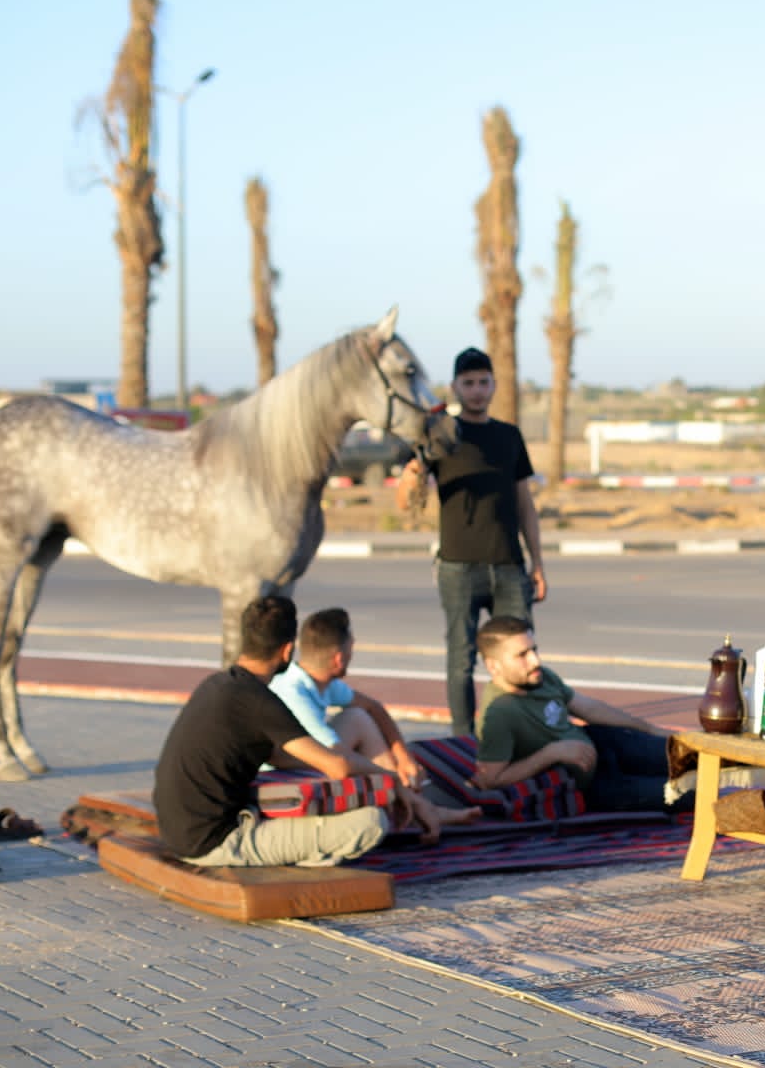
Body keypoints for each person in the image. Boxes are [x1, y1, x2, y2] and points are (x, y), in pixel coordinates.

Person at [153, 596, 448, 868]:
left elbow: (286, 758)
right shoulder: (260, 701)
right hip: (217, 842)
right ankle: (302, 865)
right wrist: (390, 780)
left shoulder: (216, 684)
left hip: (179, 831)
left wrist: (374, 779)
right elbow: (338, 766)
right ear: (287, 650)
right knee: (371, 822)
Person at [397, 347, 547, 738]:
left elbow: (524, 505)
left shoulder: (508, 436)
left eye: (484, 382)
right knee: (461, 661)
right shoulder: (442, 436)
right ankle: (463, 740)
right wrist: (414, 471)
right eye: (469, 383)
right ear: (455, 387)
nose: (477, 390)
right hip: (459, 567)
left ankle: (523, 732)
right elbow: (407, 502)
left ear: (494, 385)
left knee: (522, 657)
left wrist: (538, 563)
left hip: (510, 566)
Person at [473, 616, 682, 813]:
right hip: (592, 785)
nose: (535, 661)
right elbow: (492, 778)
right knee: (695, 793)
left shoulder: (539, 677)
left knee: (691, 755)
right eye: (522, 655)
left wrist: (650, 729)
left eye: (534, 650)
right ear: (494, 666)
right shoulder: (498, 713)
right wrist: (550, 753)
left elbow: (590, 709)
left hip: (602, 744)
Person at [266, 607, 437, 794]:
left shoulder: (321, 680)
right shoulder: (295, 694)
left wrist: (404, 757)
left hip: (311, 756)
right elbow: (337, 758)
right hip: (279, 773)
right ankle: (405, 798)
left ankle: (405, 798)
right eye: (351, 649)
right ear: (339, 659)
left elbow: (373, 707)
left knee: (357, 717)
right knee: (357, 734)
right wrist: (392, 775)